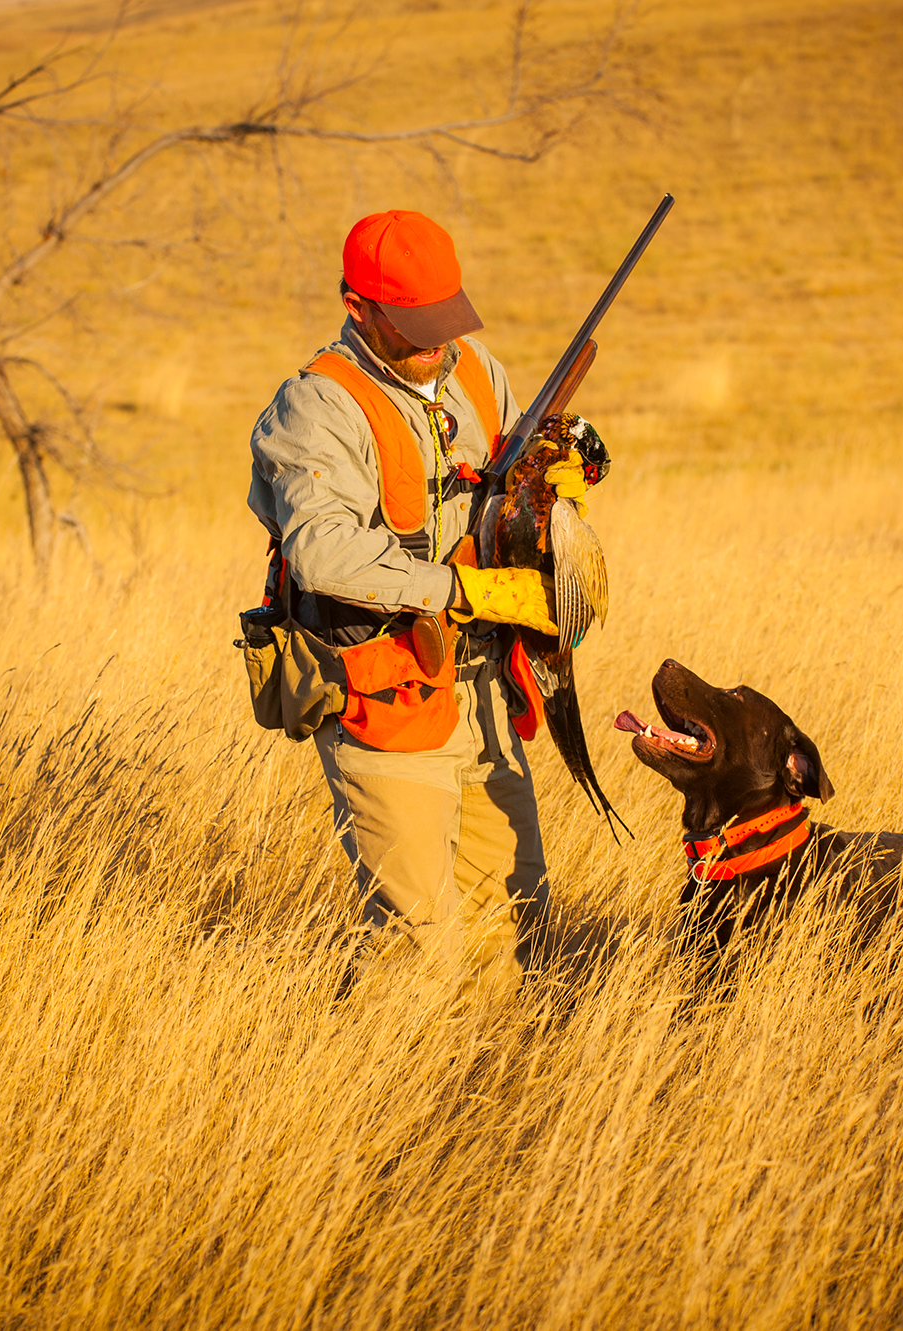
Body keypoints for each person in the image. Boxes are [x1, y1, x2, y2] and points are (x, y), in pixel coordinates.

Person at [246, 209, 604, 1007]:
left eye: (446, 318)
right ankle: (370, 1120)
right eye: (414, 325)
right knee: (417, 948)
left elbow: (520, 480)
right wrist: (459, 590)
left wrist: (564, 466)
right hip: (388, 692)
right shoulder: (318, 407)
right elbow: (322, 552)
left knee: (518, 921)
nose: (437, 342)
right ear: (356, 305)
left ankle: (496, 1108)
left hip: (485, 691)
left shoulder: (474, 368)